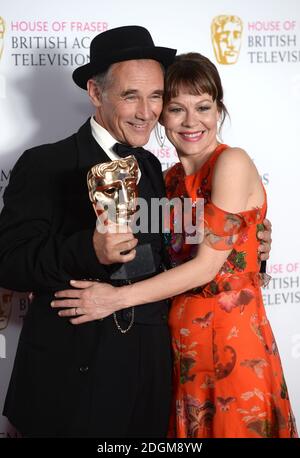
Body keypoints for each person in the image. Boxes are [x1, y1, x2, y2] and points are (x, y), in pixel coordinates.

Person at [52, 53, 296, 439]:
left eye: (203, 107)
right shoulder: (162, 181)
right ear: (162, 117)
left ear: (219, 109)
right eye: (176, 109)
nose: (190, 121)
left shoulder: (231, 161)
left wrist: (113, 299)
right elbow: (150, 253)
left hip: (232, 344)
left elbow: (205, 268)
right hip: (177, 352)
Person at [0, 25, 177, 438]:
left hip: (147, 377)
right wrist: (89, 249)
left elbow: (165, 256)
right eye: (131, 95)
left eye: (156, 96)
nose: (147, 111)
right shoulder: (45, 163)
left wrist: (244, 243)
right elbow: (8, 264)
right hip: (71, 382)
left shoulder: (150, 166)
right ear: (96, 93)